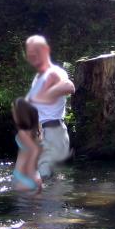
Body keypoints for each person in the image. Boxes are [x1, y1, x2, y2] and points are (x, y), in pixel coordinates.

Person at [24, 35, 74, 179]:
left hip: (55, 131)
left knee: (45, 179)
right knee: (52, 180)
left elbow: (70, 86)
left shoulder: (55, 73)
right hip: (46, 132)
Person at [11, 97, 42, 193]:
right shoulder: (37, 133)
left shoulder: (22, 133)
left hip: (22, 177)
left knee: (23, 207)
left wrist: (33, 175)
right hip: (33, 178)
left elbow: (34, 151)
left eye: (14, 113)